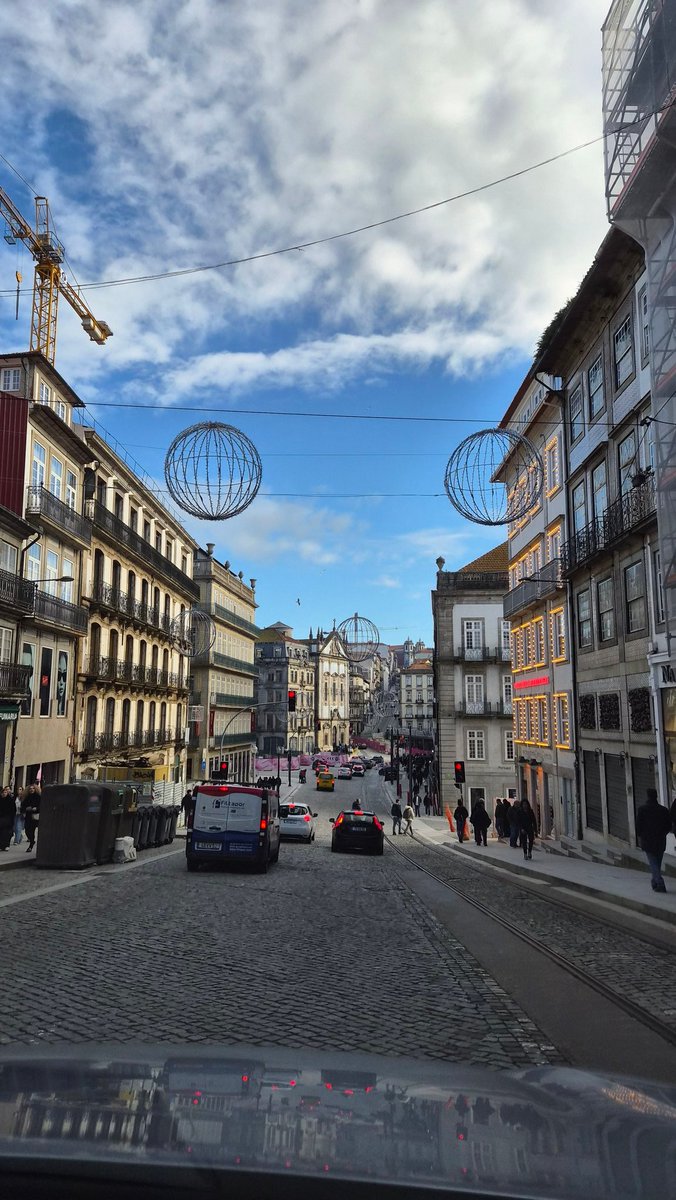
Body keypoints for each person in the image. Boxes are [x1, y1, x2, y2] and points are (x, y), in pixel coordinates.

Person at [636, 787, 672, 893]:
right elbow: (668, 826)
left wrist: (640, 835)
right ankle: (654, 882)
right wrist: (662, 834)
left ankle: (660, 883)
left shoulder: (642, 809)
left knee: (653, 863)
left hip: (648, 841)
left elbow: (639, 825)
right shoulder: (664, 810)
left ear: (648, 796)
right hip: (660, 841)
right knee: (657, 863)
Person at [21, 786, 40, 853]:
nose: (31, 790)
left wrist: (36, 809)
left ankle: (31, 845)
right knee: (27, 830)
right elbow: (23, 806)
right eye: (30, 789)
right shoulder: (27, 797)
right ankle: (32, 840)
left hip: (34, 816)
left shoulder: (38, 797)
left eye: (33, 788)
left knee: (32, 830)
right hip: (28, 816)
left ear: (35, 789)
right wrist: (25, 809)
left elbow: (41, 806)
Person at [0, 786, 14, 851]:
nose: (4, 794)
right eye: (3, 792)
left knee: (7, 833)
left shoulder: (10, 800)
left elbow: (13, 810)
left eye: (5, 792)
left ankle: (6, 845)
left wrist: (12, 820)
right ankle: (1, 845)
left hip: (8, 819)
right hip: (1, 818)